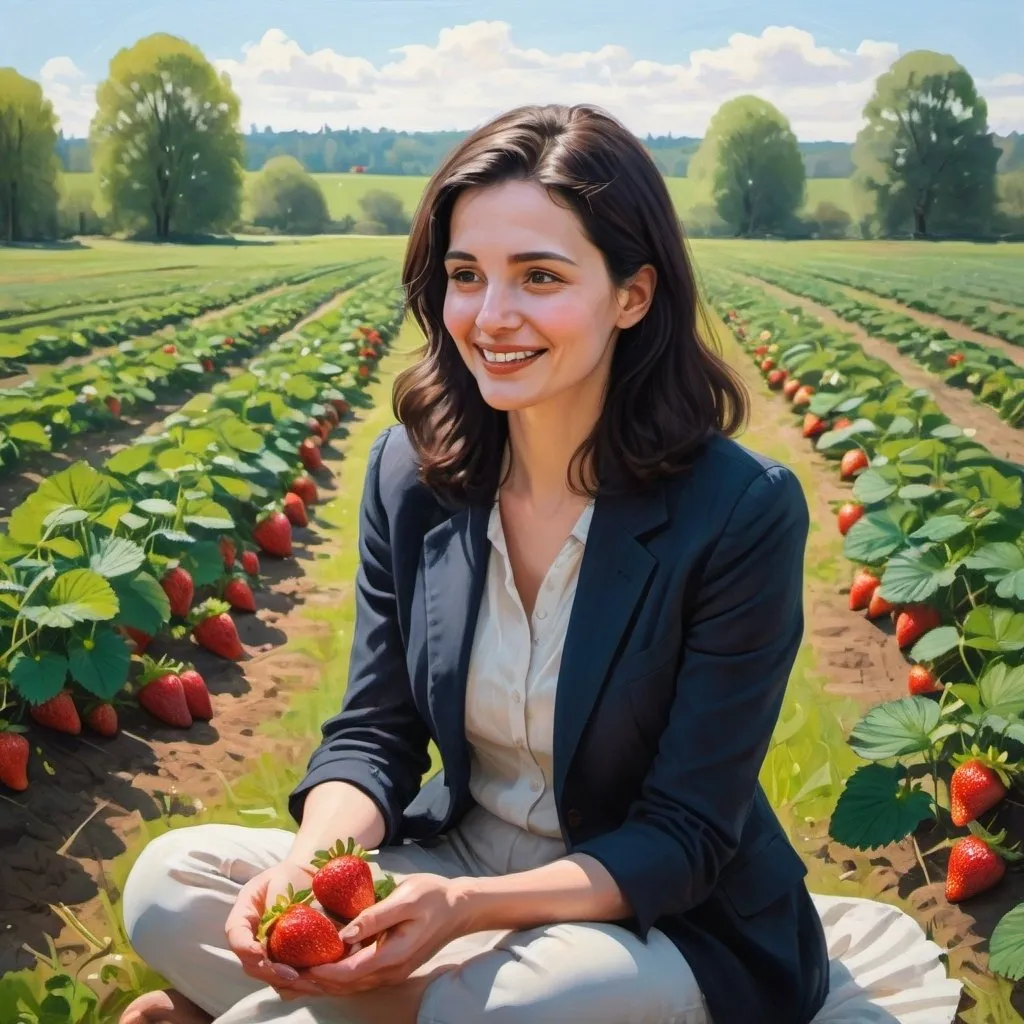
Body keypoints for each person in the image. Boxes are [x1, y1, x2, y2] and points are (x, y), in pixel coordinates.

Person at [117, 102, 831, 1024]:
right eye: (466, 275)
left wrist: (466, 914)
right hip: (453, 859)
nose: (492, 317)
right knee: (166, 889)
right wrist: (307, 867)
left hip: (649, 913)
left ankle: (284, 1012)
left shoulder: (738, 512)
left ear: (633, 295)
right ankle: (382, 1001)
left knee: (510, 1008)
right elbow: (375, 733)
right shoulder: (412, 477)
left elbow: (685, 836)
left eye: (539, 276)